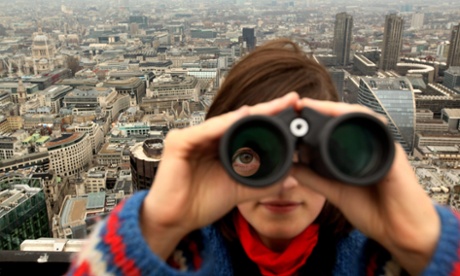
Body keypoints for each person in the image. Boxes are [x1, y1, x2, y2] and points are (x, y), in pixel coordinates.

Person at [65, 39, 460, 276]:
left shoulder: (384, 258)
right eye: (252, 154)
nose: (286, 179)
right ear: (218, 152)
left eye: (310, 156)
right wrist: (157, 226)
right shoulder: (175, 255)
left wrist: (424, 242)